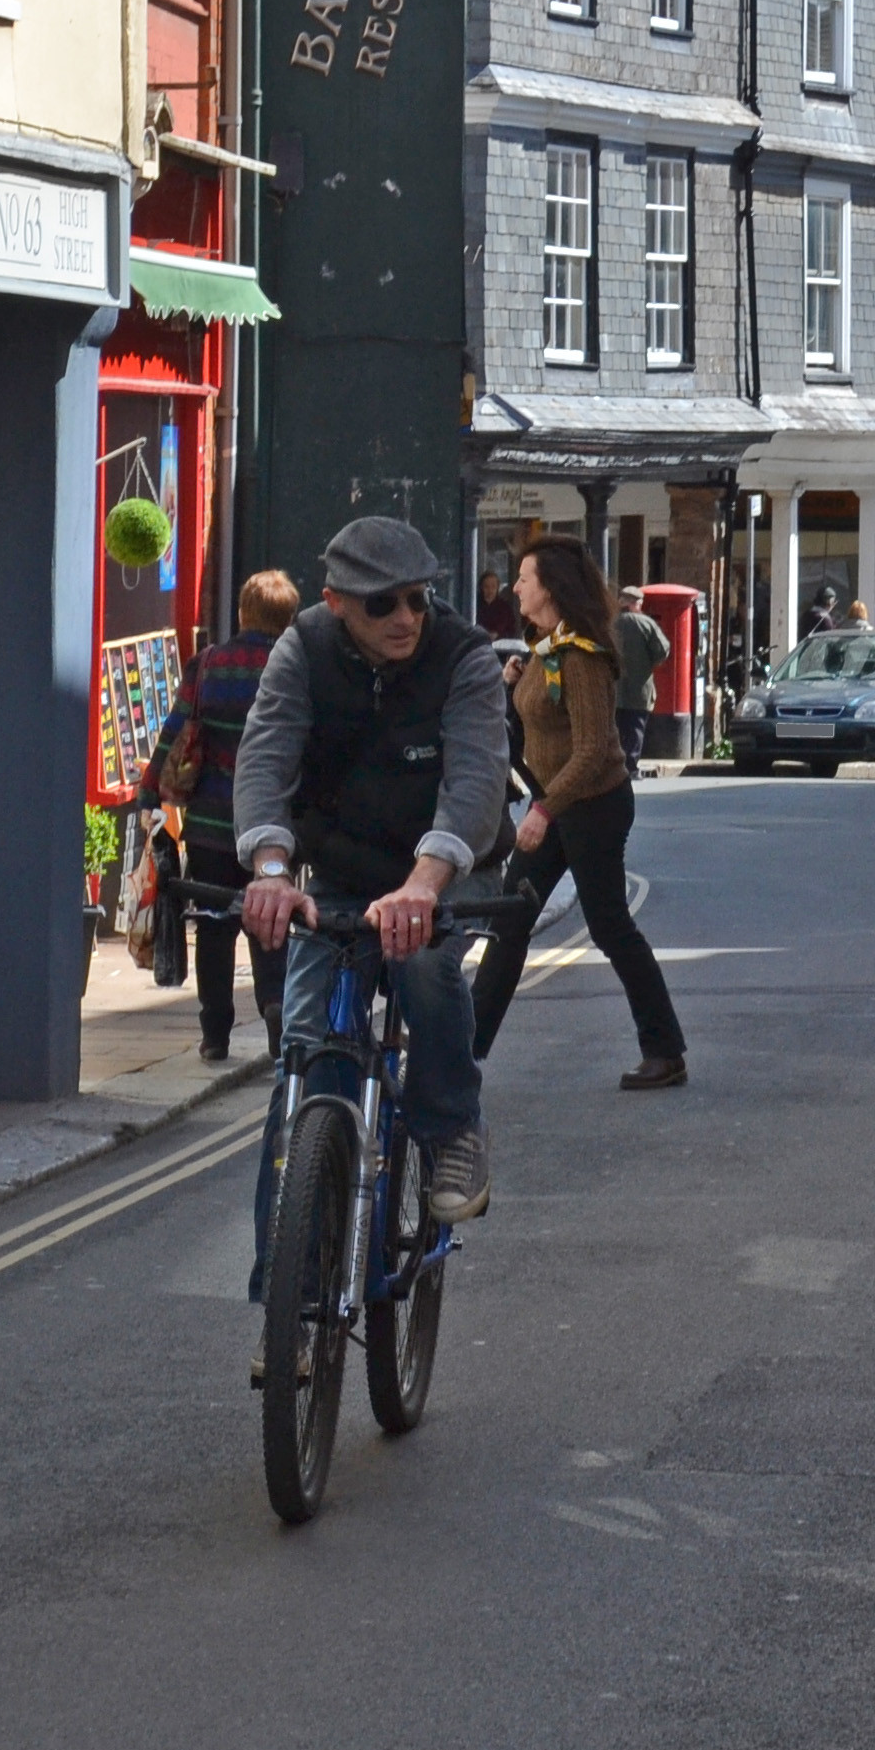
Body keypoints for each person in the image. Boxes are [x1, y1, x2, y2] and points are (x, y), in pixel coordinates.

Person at [232, 515, 510, 1239]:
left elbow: (476, 784)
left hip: (447, 869)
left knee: (421, 966)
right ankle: (283, 1311)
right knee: (304, 1048)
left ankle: (451, 1131)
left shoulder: (464, 656)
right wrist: (269, 867)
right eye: (383, 603)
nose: (406, 617)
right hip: (345, 871)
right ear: (336, 602)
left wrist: (423, 884)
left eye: (417, 598)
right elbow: (264, 759)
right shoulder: (303, 647)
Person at [472, 537, 688, 1087]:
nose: (515, 586)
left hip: (593, 807)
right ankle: (464, 1054)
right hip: (561, 804)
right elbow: (539, 739)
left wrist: (542, 809)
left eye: (524, 578)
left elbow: (593, 751)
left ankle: (664, 1051)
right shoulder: (544, 650)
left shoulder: (582, 658)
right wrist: (511, 690)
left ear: (551, 588)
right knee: (509, 924)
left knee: (610, 926)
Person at [153, 569, 297, 1062]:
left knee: (215, 927)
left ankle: (216, 1034)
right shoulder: (293, 665)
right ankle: (276, 1008)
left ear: (242, 613)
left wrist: (152, 791)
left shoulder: (209, 664)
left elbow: (176, 731)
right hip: (274, 828)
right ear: (289, 617)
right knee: (272, 920)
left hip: (212, 825)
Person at [606, 589, 669, 771]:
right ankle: (631, 766)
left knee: (615, 728)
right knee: (635, 729)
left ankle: (614, 766)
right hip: (639, 687)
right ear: (637, 604)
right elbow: (662, 650)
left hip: (613, 688)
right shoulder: (646, 624)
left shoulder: (609, 624)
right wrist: (648, 662)